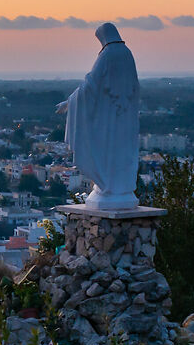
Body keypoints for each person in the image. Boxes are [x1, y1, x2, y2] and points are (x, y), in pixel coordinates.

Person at [58, 21, 139, 209]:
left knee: (107, 151)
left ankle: (109, 188)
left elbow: (90, 85)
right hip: (125, 118)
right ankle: (121, 189)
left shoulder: (108, 54)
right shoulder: (127, 54)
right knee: (122, 151)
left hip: (108, 119)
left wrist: (69, 103)